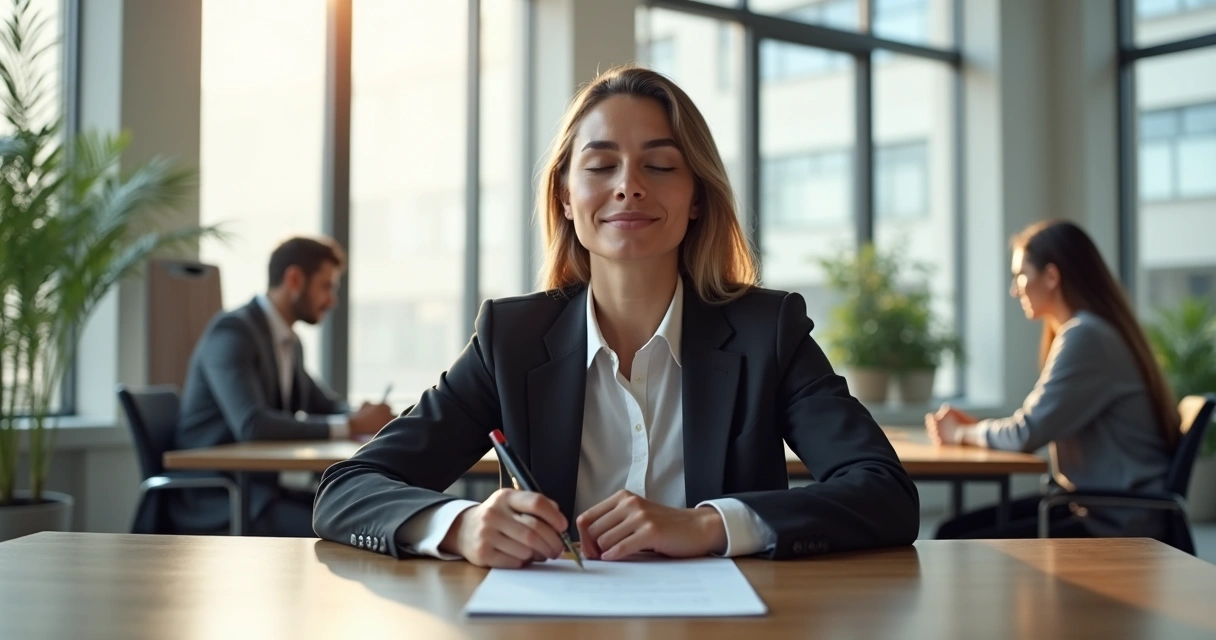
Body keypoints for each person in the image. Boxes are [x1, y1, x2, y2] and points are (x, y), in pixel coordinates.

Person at [313, 65, 919, 565]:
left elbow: (884, 493)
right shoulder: (511, 338)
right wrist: (460, 526)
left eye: (659, 166)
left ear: (697, 198)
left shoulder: (769, 332)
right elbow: (346, 491)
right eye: (601, 166)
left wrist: (710, 525)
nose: (629, 186)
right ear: (565, 198)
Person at [927, 220, 1180, 540]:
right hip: (1100, 507)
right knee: (955, 532)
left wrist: (961, 432)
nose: (1014, 288)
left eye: (1021, 275)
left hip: (1113, 522)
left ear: (1051, 276)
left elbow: (1026, 433)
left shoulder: (1085, 336)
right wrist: (974, 430)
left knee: (954, 537)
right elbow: (1034, 426)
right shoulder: (1092, 331)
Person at [173, 236, 395, 537]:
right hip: (221, 499)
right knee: (348, 531)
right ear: (294, 279)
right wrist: (352, 423)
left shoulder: (289, 343)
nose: (332, 300)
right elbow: (252, 424)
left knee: (364, 514)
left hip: (262, 493)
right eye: (326, 286)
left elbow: (323, 403)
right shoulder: (233, 332)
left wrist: (362, 414)